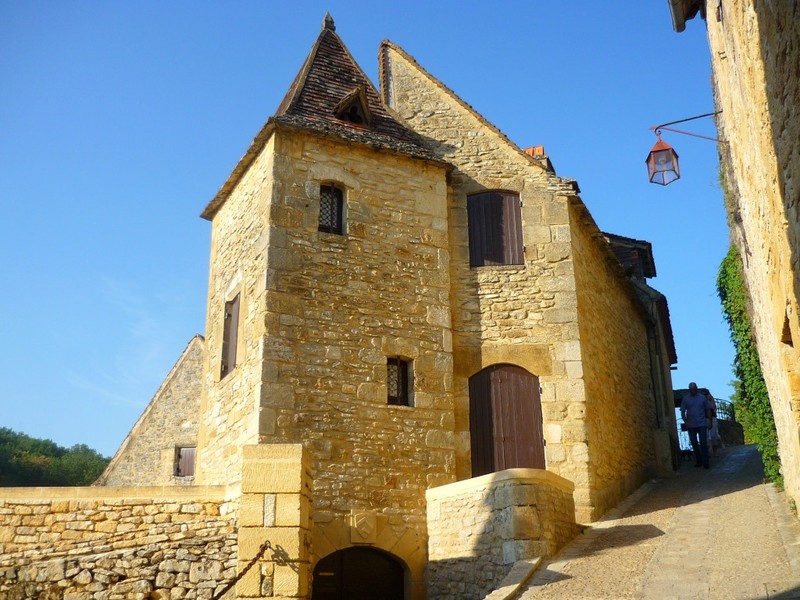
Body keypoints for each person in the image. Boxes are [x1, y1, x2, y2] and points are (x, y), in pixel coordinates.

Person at [680, 382, 711, 468]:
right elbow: (683, 412)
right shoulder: (686, 399)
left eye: (694, 389)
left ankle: (705, 462)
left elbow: (707, 410)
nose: (693, 391)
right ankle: (698, 460)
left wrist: (709, 421)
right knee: (694, 443)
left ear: (696, 388)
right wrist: (686, 421)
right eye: (691, 390)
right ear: (689, 390)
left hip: (702, 423)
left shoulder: (702, 398)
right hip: (691, 425)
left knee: (703, 442)